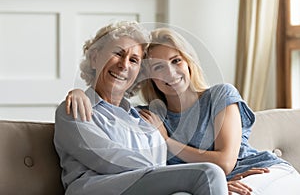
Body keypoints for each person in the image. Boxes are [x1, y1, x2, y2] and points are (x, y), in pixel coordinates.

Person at [66, 26, 300, 195]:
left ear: (188, 62)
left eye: (176, 61)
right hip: (211, 185)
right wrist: (78, 93)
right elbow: (109, 112)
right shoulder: (147, 116)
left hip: (261, 172)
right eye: (158, 67)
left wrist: (168, 141)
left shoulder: (220, 95)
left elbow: (225, 163)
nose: (170, 73)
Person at [54, 21, 229, 195]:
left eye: (134, 60)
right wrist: (189, 178)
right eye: (117, 53)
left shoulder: (144, 120)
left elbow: (160, 173)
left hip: (142, 187)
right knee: (208, 172)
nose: (124, 65)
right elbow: (109, 160)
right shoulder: (74, 108)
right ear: (94, 58)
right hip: (97, 188)